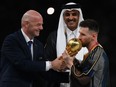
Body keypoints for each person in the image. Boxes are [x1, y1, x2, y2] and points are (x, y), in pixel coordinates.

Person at [0, 10, 66, 87]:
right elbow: (22, 64)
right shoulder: (11, 40)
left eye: (42, 24)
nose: (41, 28)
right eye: (38, 25)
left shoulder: (38, 45)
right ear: (26, 24)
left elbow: (43, 71)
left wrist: (71, 77)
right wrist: (51, 64)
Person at [44, 2, 88, 87]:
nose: (70, 18)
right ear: (63, 17)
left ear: (79, 16)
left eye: (74, 14)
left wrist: (72, 64)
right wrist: (57, 65)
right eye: (67, 14)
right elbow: (47, 63)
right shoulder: (54, 37)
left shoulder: (88, 37)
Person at [62, 19, 110, 87]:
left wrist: (69, 63)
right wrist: (73, 59)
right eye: (79, 34)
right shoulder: (91, 53)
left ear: (93, 36)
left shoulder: (97, 54)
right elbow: (83, 71)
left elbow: (83, 79)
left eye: (83, 34)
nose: (79, 38)